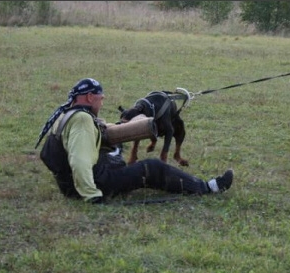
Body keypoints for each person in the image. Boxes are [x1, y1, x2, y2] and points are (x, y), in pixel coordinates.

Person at [35, 78, 233, 204]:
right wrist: (91, 195)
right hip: (87, 186)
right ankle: (208, 187)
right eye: (100, 98)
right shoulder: (82, 120)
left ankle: (114, 172)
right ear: (89, 97)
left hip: (68, 184)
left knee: (116, 150)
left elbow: (51, 154)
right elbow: (79, 161)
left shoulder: (66, 115)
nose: (102, 102)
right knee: (152, 167)